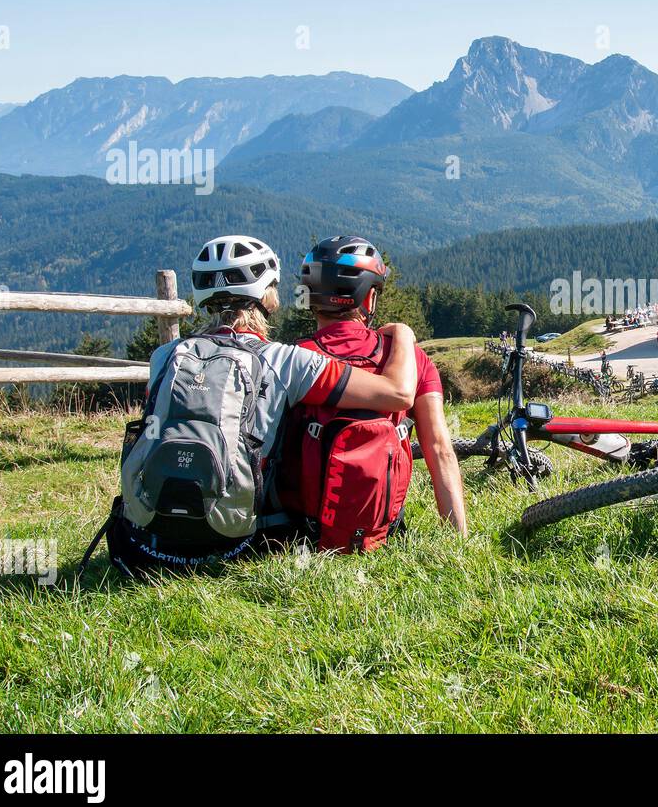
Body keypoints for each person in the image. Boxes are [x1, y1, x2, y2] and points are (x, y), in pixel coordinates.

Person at [103, 235, 423, 576]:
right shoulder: (285, 361)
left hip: (145, 544)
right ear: (266, 297)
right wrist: (403, 334)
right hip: (235, 546)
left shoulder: (165, 357)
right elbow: (398, 393)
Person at [294, 236, 467, 536]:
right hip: (383, 535)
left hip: (304, 538)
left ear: (310, 296)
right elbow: (440, 450)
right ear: (368, 298)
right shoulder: (410, 361)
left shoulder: (293, 359)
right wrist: (458, 540)